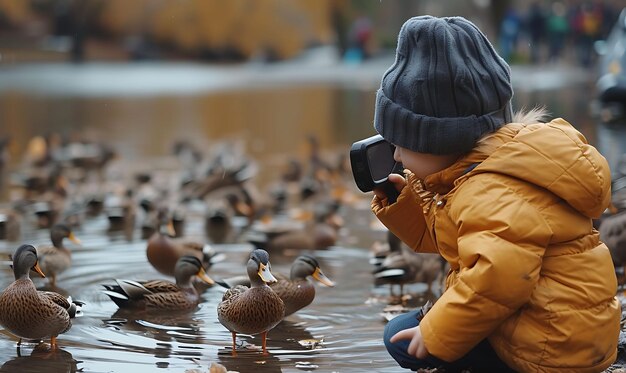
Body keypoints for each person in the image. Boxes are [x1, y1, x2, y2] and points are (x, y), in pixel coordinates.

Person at [369, 15, 620, 372]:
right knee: (421, 325)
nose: (395, 155)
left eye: (402, 143)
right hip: (570, 330)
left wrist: (437, 334)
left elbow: (498, 277)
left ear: (439, 140)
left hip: (552, 350)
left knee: (402, 337)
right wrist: (406, 204)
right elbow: (456, 238)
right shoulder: (497, 165)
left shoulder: (488, 189)